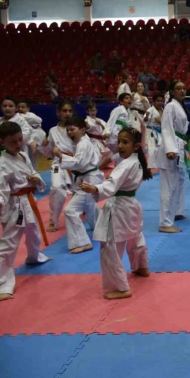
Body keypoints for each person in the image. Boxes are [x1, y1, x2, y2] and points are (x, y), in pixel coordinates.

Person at [80, 128, 152, 299]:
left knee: (109, 246)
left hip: (119, 207)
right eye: (119, 141)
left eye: (125, 142)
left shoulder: (126, 164)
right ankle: (141, 266)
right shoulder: (137, 160)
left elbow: (111, 184)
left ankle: (120, 287)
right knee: (135, 236)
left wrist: (95, 188)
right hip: (131, 205)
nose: (120, 145)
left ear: (135, 146)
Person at [0, 122, 50, 301]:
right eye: (12, 142)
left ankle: (34, 256)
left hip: (27, 200)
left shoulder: (23, 154)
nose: (18, 144)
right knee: (9, 244)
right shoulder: (2, 163)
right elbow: (0, 188)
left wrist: (35, 178)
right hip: (16, 205)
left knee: (33, 233)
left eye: (20, 139)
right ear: (2, 142)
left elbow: (32, 172)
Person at [56, 116, 101, 254]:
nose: (69, 132)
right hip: (88, 178)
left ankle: (82, 242)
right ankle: (102, 227)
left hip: (88, 180)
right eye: (67, 130)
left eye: (72, 129)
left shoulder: (83, 144)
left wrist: (61, 156)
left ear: (82, 130)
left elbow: (79, 163)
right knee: (89, 205)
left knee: (70, 211)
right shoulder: (81, 142)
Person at [157, 80, 190, 233]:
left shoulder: (179, 106)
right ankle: (165, 222)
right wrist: (170, 149)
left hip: (179, 145)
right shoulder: (170, 106)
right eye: (178, 88)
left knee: (179, 181)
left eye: (184, 88)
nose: (182, 91)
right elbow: (166, 128)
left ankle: (177, 211)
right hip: (171, 149)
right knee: (169, 185)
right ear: (172, 91)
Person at [39, 100, 75, 232]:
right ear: (58, 113)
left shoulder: (77, 128)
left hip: (75, 162)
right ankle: (53, 221)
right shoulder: (53, 131)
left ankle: (84, 210)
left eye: (70, 111)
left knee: (82, 191)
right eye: (64, 111)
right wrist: (45, 145)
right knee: (56, 187)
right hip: (58, 163)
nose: (67, 113)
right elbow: (48, 153)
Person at [16, 99, 45, 170]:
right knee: (29, 158)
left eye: (23, 107)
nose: (20, 108)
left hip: (38, 136)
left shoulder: (31, 114)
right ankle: (32, 172)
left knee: (32, 157)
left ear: (28, 108)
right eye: (19, 107)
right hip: (27, 139)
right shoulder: (16, 117)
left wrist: (22, 117)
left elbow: (39, 120)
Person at [85, 101, 113, 170]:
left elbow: (107, 128)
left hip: (101, 140)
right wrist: (86, 125)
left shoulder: (100, 120)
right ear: (87, 111)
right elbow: (87, 127)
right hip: (93, 141)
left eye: (94, 110)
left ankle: (102, 165)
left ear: (96, 111)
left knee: (111, 151)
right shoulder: (87, 120)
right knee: (97, 155)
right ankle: (96, 167)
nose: (93, 112)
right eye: (91, 111)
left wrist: (100, 124)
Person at [143, 93, 164, 170]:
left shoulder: (162, 109)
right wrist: (146, 117)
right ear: (154, 101)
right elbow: (145, 120)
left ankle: (159, 163)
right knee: (152, 148)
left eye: (161, 101)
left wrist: (161, 123)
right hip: (151, 131)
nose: (160, 102)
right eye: (158, 101)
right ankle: (150, 166)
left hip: (159, 131)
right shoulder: (150, 110)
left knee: (160, 147)